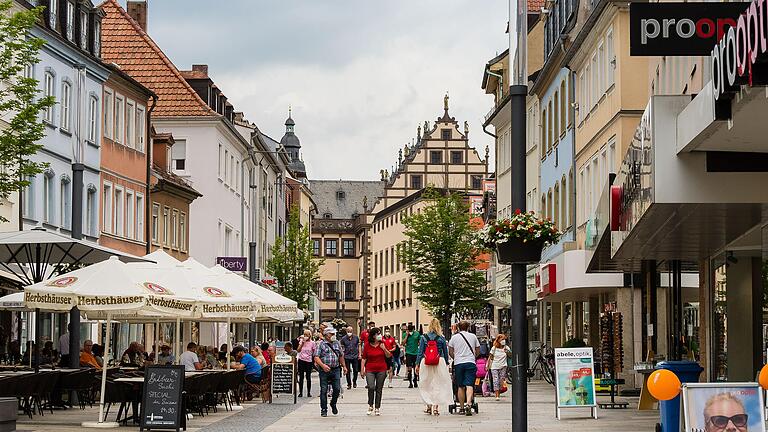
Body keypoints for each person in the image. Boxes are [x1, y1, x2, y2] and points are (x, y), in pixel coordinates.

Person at [416, 318, 453, 416]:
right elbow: (445, 353)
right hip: (439, 362)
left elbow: (420, 352)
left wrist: (417, 364)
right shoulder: (441, 338)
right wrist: (446, 364)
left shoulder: (423, 337)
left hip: (426, 362)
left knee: (426, 383)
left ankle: (429, 406)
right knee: (438, 384)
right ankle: (436, 408)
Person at [448, 321, 480, 416]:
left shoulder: (454, 337)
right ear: (468, 327)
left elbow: (450, 351)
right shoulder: (473, 336)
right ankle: (469, 404)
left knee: (460, 386)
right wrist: (473, 357)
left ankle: (461, 408)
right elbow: (478, 350)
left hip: (459, 363)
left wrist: (456, 358)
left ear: (458, 327)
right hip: (470, 362)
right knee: (470, 384)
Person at [314, 327, 347, 417]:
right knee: (324, 389)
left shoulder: (337, 343)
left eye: (334, 334)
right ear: (326, 335)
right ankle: (324, 409)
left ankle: (333, 403)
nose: (333, 335)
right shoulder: (321, 344)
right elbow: (316, 357)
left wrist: (344, 366)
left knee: (337, 389)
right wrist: (323, 365)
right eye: (331, 334)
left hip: (335, 369)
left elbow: (341, 355)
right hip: (324, 370)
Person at [360, 327, 392, 416]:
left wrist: (384, 349)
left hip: (381, 368)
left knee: (379, 389)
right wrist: (362, 370)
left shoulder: (383, 343)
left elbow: (389, 355)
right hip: (370, 369)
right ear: (373, 336)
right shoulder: (367, 345)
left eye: (380, 333)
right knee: (371, 387)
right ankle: (370, 404)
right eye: (378, 334)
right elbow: (363, 358)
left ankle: (377, 407)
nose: (380, 335)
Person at [488, 334, 511, 401]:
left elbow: (510, 356)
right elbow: (490, 357)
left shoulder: (506, 347)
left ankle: (499, 390)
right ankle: (497, 395)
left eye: (504, 339)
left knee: (501, 380)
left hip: (503, 366)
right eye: (502, 339)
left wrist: (507, 352)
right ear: (498, 340)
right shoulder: (494, 348)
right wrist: (488, 365)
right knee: (495, 380)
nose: (503, 341)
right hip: (494, 366)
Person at [297, 329, 316, 397]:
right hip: (301, 360)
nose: (305, 336)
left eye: (306, 335)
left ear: (309, 335)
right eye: (304, 335)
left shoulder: (312, 343)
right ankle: (300, 392)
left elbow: (314, 352)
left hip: (309, 361)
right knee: (301, 377)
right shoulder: (301, 341)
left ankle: (308, 392)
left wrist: (314, 360)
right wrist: (302, 343)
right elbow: (298, 350)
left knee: (308, 377)